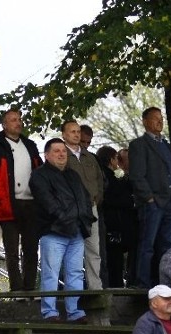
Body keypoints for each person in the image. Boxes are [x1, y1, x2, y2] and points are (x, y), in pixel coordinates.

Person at [29, 138, 94, 323]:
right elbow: (47, 202)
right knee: (51, 272)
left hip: (76, 230)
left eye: (64, 151)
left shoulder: (73, 175)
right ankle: (49, 312)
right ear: (47, 155)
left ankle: (75, 312)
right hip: (53, 231)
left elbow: (86, 199)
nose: (61, 154)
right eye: (56, 151)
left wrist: (85, 218)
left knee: (75, 273)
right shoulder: (39, 175)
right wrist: (65, 217)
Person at [0, 109, 42, 292]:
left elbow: (39, 170)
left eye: (19, 119)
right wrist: (1, 199)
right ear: (4, 124)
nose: (18, 123)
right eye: (13, 120)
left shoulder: (30, 145)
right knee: (11, 251)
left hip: (31, 203)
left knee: (32, 249)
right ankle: (16, 289)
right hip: (9, 204)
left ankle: (30, 288)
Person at [129, 107, 171, 289]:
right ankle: (143, 282)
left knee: (168, 245)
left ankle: (166, 282)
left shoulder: (166, 145)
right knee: (147, 244)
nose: (160, 122)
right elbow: (136, 175)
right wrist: (149, 198)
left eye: (161, 118)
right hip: (153, 203)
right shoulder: (139, 145)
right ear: (145, 121)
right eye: (155, 118)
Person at [62, 119, 105, 290]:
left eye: (78, 131)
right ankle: (73, 289)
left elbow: (100, 181)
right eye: (72, 131)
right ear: (64, 135)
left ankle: (96, 287)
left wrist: (96, 199)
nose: (76, 134)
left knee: (94, 249)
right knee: (72, 249)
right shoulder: (61, 154)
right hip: (72, 209)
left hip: (91, 208)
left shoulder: (89, 156)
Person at [97, 145, 137, 287]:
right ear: (111, 160)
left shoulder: (106, 176)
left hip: (111, 223)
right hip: (114, 225)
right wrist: (130, 201)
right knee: (115, 259)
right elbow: (117, 198)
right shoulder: (110, 178)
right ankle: (116, 285)